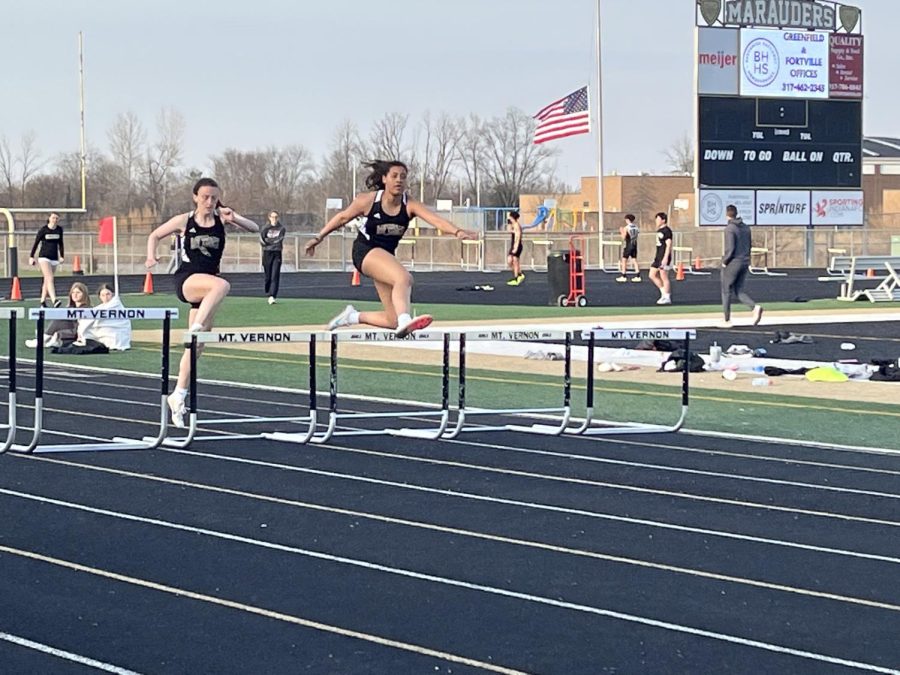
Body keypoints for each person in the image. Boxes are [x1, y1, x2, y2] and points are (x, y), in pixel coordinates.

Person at [305, 160, 475, 337]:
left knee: (391, 320)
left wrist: (458, 232)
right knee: (403, 278)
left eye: (403, 177)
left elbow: (436, 221)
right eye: (394, 176)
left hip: (385, 256)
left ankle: (352, 317)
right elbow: (342, 218)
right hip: (365, 251)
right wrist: (318, 237)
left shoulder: (409, 204)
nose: (399, 180)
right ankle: (405, 320)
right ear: (384, 179)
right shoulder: (368, 200)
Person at [145, 177, 260, 427]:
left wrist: (235, 217)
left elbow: (255, 228)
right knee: (222, 285)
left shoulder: (221, 218)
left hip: (206, 290)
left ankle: (178, 395)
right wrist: (150, 257)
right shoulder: (184, 221)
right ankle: (196, 327)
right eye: (205, 197)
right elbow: (155, 235)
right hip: (187, 280)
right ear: (195, 197)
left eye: (214, 198)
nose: (210, 202)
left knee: (195, 348)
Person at [720, 204, 763, 328]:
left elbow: (730, 248)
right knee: (738, 290)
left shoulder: (730, 229)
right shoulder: (746, 227)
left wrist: (724, 261)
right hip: (745, 261)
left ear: (727, 215)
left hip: (734, 262)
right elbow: (749, 245)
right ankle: (754, 307)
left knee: (726, 290)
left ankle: (726, 319)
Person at [25, 281, 90, 348]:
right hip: (69, 331)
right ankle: (44, 339)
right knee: (60, 317)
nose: (75, 295)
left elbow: (80, 326)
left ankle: (43, 338)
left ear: (84, 294)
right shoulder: (70, 308)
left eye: (78, 292)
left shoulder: (87, 309)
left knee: (59, 319)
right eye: (73, 292)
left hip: (77, 332)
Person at [28, 212, 65, 307]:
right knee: (50, 278)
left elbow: (61, 243)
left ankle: (42, 301)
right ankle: (54, 300)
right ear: (49, 218)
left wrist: (62, 256)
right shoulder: (43, 230)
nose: (55, 220)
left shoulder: (59, 230)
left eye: (57, 218)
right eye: (53, 218)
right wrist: (31, 256)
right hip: (44, 257)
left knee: (46, 280)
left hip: (54, 257)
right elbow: (36, 243)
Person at [260, 210, 286, 304]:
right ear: (269, 218)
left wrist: (271, 241)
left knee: (275, 275)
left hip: (277, 252)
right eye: (273, 217)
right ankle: (267, 290)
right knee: (268, 276)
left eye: (276, 217)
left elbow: (279, 239)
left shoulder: (281, 228)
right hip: (267, 252)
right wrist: (268, 243)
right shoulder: (265, 228)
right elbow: (262, 240)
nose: (274, 219)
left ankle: (272, 295)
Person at [648, 212, 673, 305]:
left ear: (663, 220)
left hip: (664, 257)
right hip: (658, 256)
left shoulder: (667, 231)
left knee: (664, 276)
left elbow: (669, 245)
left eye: (658, 219)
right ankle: (663, 293)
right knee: (652, 275)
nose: (656, 221)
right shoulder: (659, 231)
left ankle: (667, 297)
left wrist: (666, 258)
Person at [616, 213, 641, 283]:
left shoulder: (626, 228)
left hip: (628, 245)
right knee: (634, 260)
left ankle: (623, 276)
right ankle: (638, 276)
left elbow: (624, 237)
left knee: (624, 260)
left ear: (627, 220)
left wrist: (621, 231)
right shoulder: (636, 227)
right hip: (635, 244)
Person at [505, 210, 525, 286]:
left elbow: (518, 236)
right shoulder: (513, 225)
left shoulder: (517, 225)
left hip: (517, 245)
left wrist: (516, 247)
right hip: (513, 245)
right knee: (509, 261)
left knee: (515, 261)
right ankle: (519, 274)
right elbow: (509, 230)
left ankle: (517, 277)